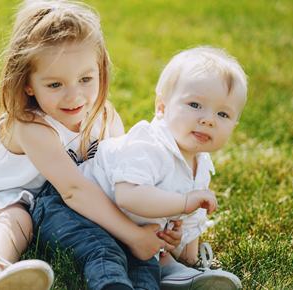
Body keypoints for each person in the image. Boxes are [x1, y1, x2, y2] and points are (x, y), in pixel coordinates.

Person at [0, 1, 172, 289]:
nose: (74, 96)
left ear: (100, 70)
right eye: (55, 85)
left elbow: (115, 178)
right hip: (0, 192)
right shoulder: (31, 126)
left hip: (54, 200)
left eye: (85, 79)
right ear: (28, 84)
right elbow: (74, 190)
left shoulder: (104, 115)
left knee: (112, 220)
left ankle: (170, 266)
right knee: (16, 223)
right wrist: (133, 235)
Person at [77, 46, 247, 289]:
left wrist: (181, 248)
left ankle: (177, 274)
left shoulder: (200, 165)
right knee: (107, 255)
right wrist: (184, 202)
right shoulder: (148, 144)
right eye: (195, 105)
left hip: (132, 229)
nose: (208, 119)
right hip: (83, 213)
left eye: (222, 114)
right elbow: (129, 196)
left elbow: (188, 219)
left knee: (147, 268)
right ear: (162, 107)